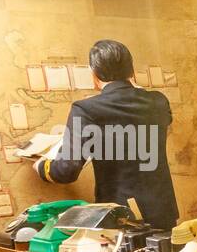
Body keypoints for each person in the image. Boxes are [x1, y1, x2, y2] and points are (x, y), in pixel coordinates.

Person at [34, 39, 180, 229]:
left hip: (120, 217)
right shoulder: (158, 102)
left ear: (94, 74)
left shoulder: (86, 110)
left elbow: (66, 170)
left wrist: (41, 166)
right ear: (132, 71)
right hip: (162, 213)